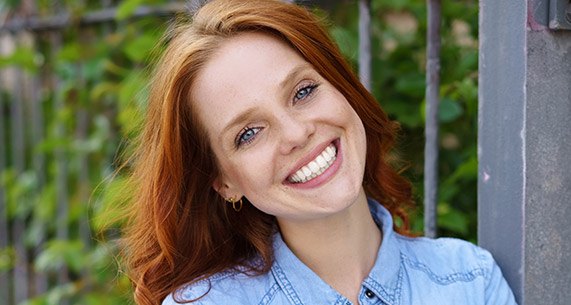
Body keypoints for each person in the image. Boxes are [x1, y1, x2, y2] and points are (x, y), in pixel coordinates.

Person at [122, 0, 518, 304]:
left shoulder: (468, 280)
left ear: (343, 86)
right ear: (224, 181)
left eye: (303, 91)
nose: (296, 133)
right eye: (249, 133)